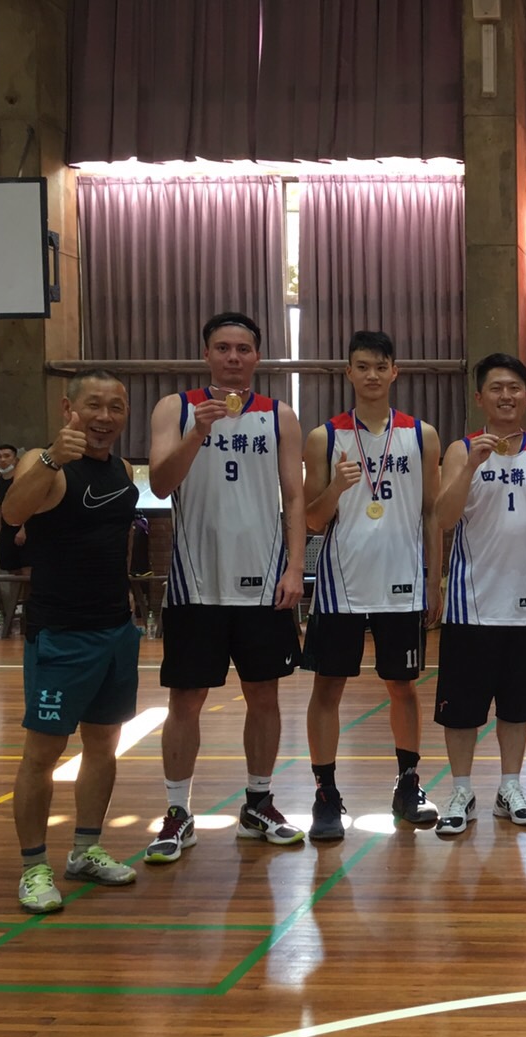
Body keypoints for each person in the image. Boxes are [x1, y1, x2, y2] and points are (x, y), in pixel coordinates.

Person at [143, 312, 307, 863]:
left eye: (243, 348)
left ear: (257, 356)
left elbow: (294, 496)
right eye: (222, 347)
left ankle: (258, 802)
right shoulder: (175, 408)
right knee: (185, 700)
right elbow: (160, 484)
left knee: (264, 696)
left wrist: (295, 568)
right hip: (196, 585)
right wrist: (198, 433)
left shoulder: (280, 416)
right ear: (206, 354)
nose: (233, 357)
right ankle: (177, 812)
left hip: (264, 585)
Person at [1, 371, 140, 912]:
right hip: (61, 635)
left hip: (115, 631)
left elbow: (115, 539)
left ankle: (85, 850)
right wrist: (51, 458)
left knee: (103, 746)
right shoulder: (44, 463)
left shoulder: (123, 470)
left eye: (115, 407)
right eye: (94, 405)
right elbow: (13, 514)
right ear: (69, 408)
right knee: (43, 753)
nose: (104, 417)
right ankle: (34, 867)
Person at [300, 331, 443, 841]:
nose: (372, 375)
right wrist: (336, 488)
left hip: (402, 583)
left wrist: (434, 580)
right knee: (327, 687)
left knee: (402, 687)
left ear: (395, 372)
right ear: (349, 372)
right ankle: (325, 794)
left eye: (381, 366)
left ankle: (408, 784)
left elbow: (431, 513)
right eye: (362, 366)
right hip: (341, 585)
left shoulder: (422, 435)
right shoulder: (324, 438)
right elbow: (312, 519)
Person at [432, 352, 526, 834]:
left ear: (525, 396)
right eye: (496, 388)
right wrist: (470, 467)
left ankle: (510, 786)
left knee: (517, 706)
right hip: (471, 604)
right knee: (462, 711)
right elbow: (444, 518)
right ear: (480, 398)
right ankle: (461, 790)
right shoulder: (460, 450)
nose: (506, 396)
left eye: (513, 388)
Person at [0, 444, 30, 578]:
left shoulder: (22, 480)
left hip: (24, 529)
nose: (2, 460)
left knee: (27, 571)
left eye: (7, 456)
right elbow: (0, 508)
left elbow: (31, 506)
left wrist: (24, 530)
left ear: (15, 459)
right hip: (7, 530)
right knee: (12, 571)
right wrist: (0, 531)